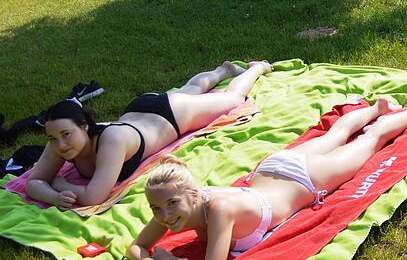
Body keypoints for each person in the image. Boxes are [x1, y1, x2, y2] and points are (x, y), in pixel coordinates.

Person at [126, 98, 407, 260]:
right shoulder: (173, 205)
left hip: (305, 179)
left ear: (194, 194)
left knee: (369, 141)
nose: (165, 216)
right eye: (156, 209)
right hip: (274, 167)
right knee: (339, 132)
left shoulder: (220, 208)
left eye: (171, 204)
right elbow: (136, 247)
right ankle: (378, 105)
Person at [25, 61, 272, 209]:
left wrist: (60, 184)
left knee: (232, 99)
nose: (60, 144)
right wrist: (56, 196)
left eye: (67, 134)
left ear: (84, 127)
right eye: (53, 138)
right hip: (138, 111)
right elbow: (33, 183)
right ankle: (221, 70)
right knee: (189, 89)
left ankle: (256, 68)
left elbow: (93, 197)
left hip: (171, 115)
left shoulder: (112, 142)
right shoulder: (58, 141)